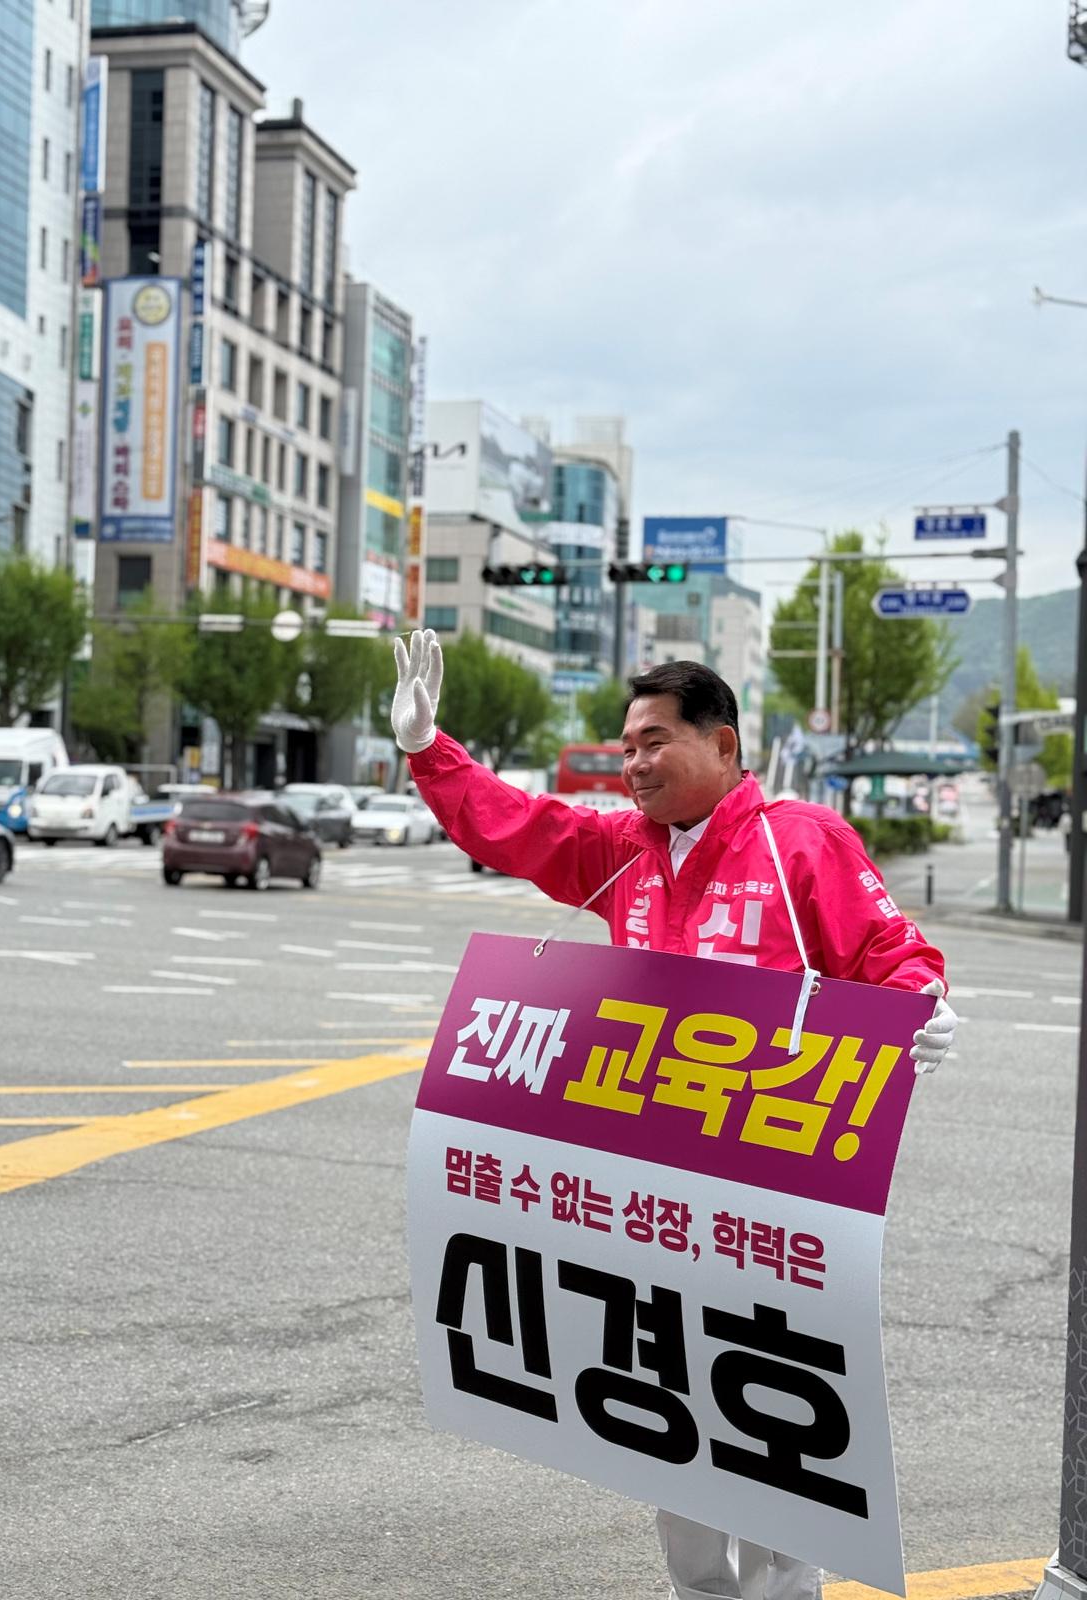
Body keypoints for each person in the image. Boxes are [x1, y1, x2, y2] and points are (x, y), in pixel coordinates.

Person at [392, 630, 957, 1600]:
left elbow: (889, 953)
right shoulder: (621, 854)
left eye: (653, 741)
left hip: (778, 1200)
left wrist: (923, 1007)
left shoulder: (801, 841)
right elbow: (513, 824)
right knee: (669, 1425)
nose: (633, 763)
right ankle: (698, 1591)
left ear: (724, 746)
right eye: (625, 745)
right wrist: (427, 749)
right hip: (650, 1197)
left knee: (775, 1431)